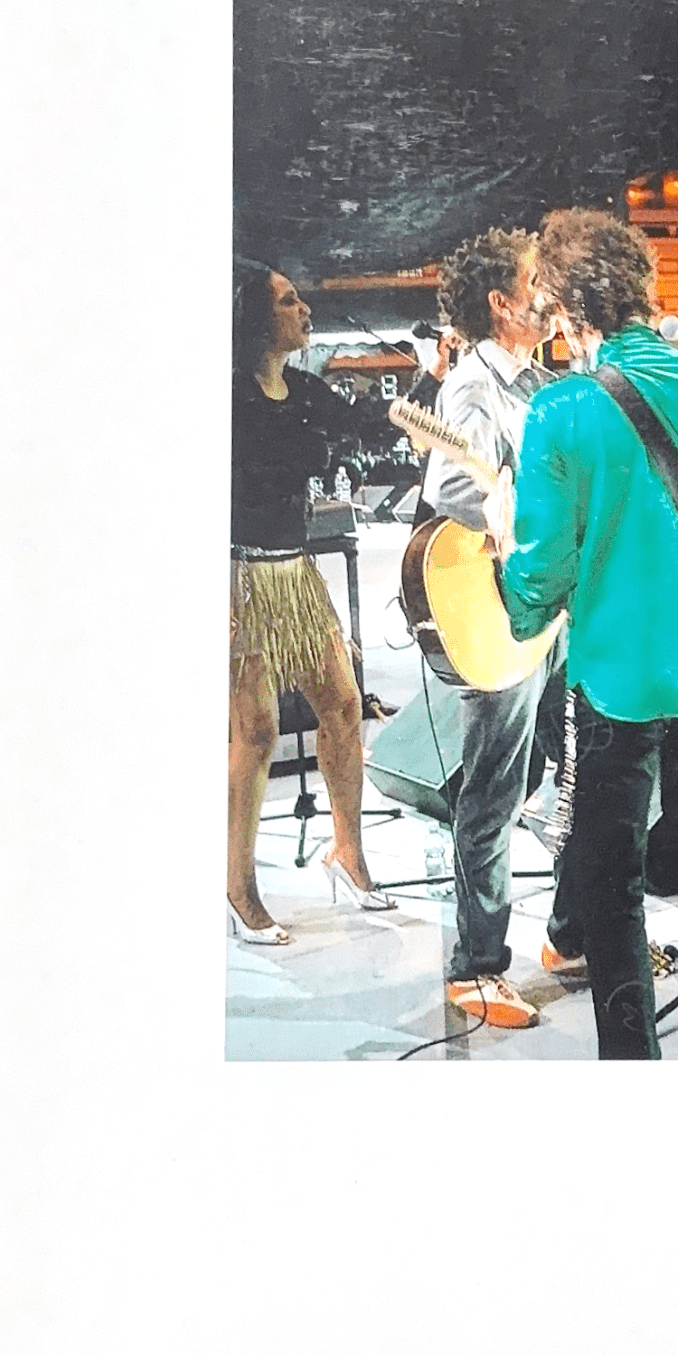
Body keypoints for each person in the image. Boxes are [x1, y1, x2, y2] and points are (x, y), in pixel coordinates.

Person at [488, 209, 678, 1060]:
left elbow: (536, 591)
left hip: (612, 682)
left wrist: (505, 551)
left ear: (565, 311)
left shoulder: (560, 410)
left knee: (610, 878)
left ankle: (632, 1064)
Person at [418, 229, 567, 1031]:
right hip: (503, 609)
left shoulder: (543, 380)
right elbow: (451, 483)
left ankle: (570, 935)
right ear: (501, 304)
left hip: (554, 602)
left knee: (576, 763)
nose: (550, 291)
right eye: (535, 280)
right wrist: (516, 512)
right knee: (494, 789)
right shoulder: (473, 384)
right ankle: (475, 967)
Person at [229, 261, 393, 943]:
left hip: (294, 573)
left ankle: (347, 852)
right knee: (256, 732)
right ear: (255, 317)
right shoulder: (227, 395)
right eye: (288, 301)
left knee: (344, 706)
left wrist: (429, 388)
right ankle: (238, 887)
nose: (303, 310)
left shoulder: (304, 390)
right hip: (239, 577)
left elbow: (365, 422)